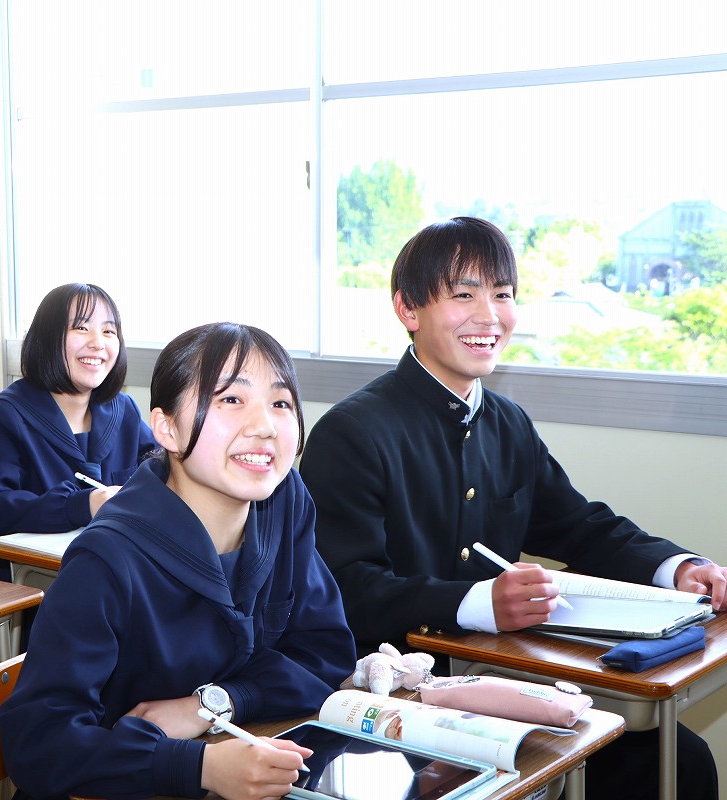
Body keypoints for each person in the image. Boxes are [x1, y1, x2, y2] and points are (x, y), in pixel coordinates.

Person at [299, 216, 723, 800]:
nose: (489, 315)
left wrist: (679, 569)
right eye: (463, 294)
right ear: (408, 309)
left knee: (676, 760)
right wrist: (480, 603)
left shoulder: (507, 422)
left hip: (500, 686)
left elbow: (580, 526)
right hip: (390, 705)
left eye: (502, 294)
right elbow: (346, 589)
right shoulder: (352, 431)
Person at [0, 322, 356, 800]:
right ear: (166, 427)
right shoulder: (108, 557)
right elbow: (39, 742)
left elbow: (325, 654)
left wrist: (216, 703)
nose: (265, 427)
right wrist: (199, 767)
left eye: (281, 403)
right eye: (232, 400)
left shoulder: (284, 502)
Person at [0, 283, 155, 579]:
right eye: (81, 328)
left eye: (108, 331)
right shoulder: (3, 416)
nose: (98, 343)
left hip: (127, 571)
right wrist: (83, 505)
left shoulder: (123, 409)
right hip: (46, 589)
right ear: (48, 338)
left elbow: (159, 471)